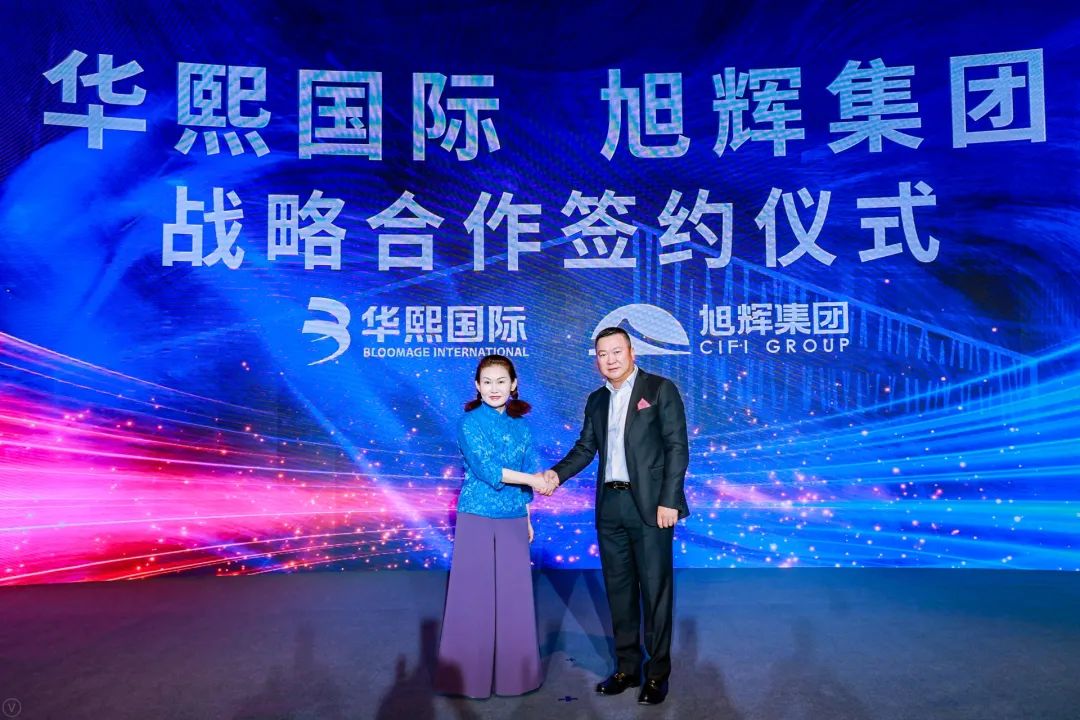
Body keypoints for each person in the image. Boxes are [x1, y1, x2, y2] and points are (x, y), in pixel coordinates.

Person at [542, 327, 689, 705]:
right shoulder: (596, 400)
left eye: (616, 351)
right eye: (602, 354)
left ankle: (657, 674)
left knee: (655, 591)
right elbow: (585, 448)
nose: (610, 359)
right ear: (596, 359)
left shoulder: (660, 389)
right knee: (619, 591)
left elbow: (677, 447)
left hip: (651, 506)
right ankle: (627, 668)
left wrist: (670, 500)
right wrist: (555, 475)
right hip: (610, 506)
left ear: (632, 352)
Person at [434, 354, 556, 699]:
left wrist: (527, 515)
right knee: (472, 597)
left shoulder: (523, 427)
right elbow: (488, 469)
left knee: (515, 598)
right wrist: (536, 481)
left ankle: (516, 678)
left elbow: (527, 471)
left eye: (501, 381)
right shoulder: (469, 423)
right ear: (477, 386)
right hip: (476, 514)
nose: (494, 388)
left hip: (514, 516)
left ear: (513, 384)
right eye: (487, 382)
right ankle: (465, 679)